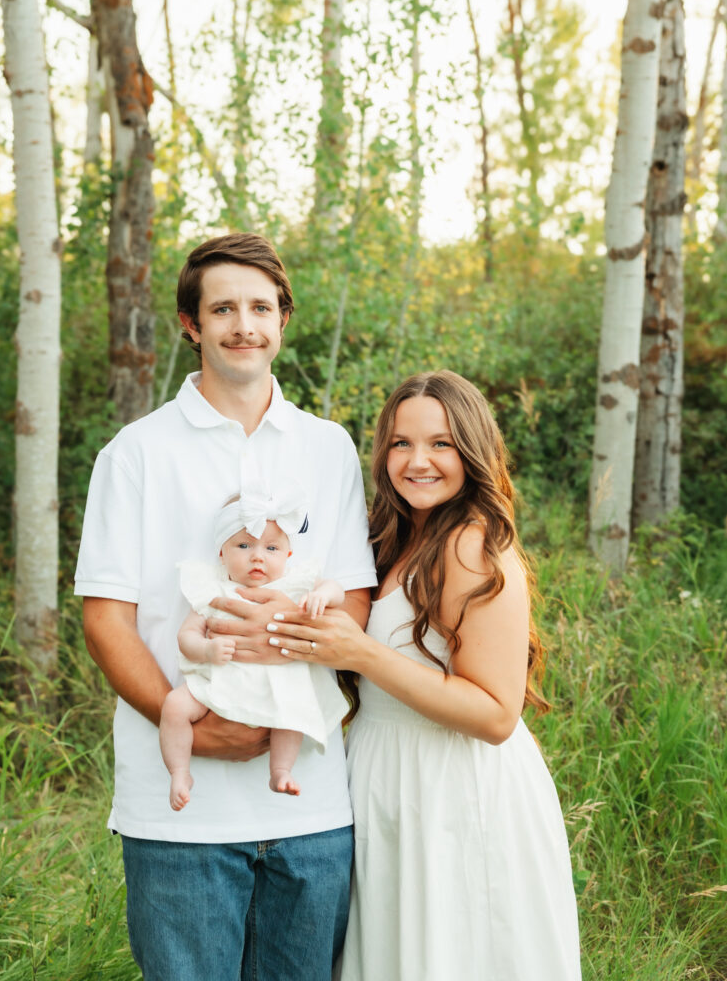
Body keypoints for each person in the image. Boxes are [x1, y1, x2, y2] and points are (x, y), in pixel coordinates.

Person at [74, 233, 377, 981]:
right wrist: (196, 730)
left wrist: (283, 662)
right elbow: (105, 620)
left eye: (260, 308)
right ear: (191, 323)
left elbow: (354, 599)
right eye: (223, 309)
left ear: (282, 319)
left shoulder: (328, 447)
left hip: (310, 803)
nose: (244, 325)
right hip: (179, 814)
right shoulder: (135, 453)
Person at [267, 370, 582, 981]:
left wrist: (362, 654)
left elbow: (496, 715)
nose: (418, 461)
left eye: (441, 444)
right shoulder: (393, 539)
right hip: (388, 778)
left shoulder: (473, 547)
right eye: (401, 443)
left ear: (473, 451)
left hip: (452, 787)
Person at [160, 489, 347, 809]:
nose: (258, 557)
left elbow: (336, 589)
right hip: (219, 679)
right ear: (222, 552)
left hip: (278, 683)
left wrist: (323, 596)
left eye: (271, 548)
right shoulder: (213, 589)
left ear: (288, 555)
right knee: (174, 706)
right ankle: (179, 772)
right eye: (244, 546)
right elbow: (186, 635)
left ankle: (281, 770)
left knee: (291, 714)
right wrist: (206, 649)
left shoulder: (295, 585)